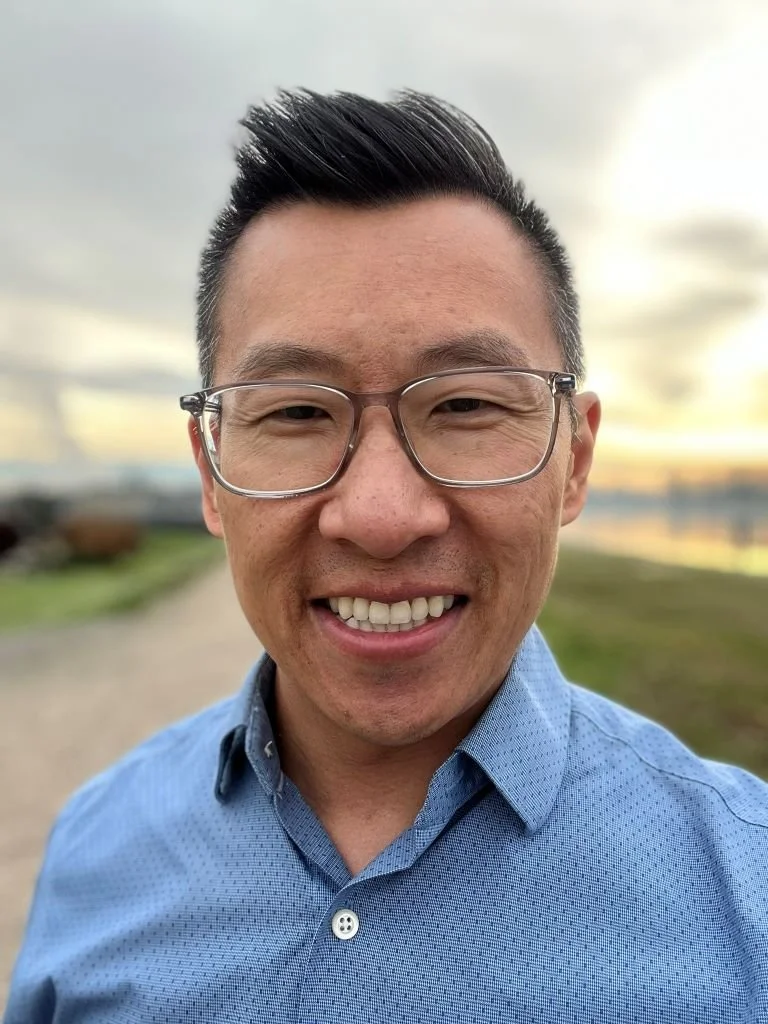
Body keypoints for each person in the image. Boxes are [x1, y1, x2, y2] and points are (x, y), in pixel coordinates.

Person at [6, 89, 767, 1024]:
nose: (380, 515)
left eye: (466, 405)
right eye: (296, 411)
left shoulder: (749, 900)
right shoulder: (94, 846)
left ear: (573, 460)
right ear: (210, 473)